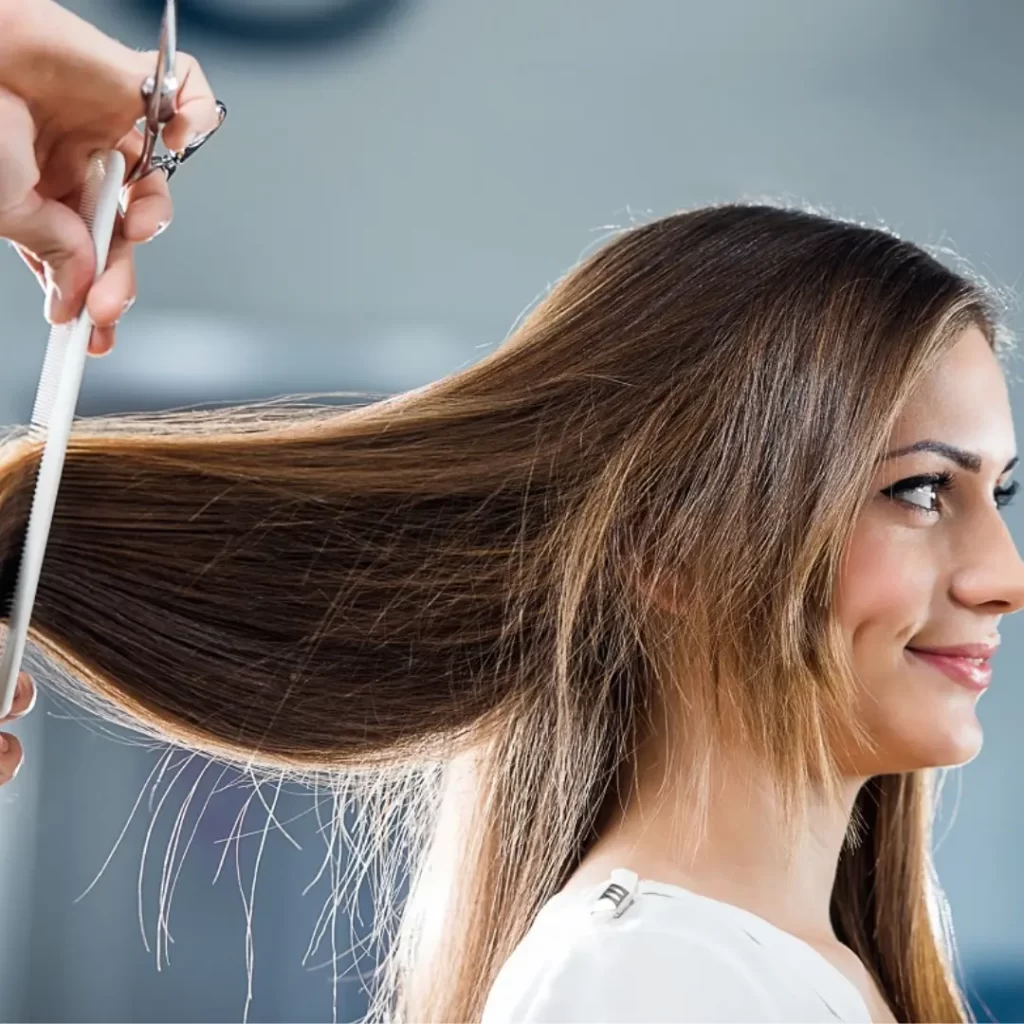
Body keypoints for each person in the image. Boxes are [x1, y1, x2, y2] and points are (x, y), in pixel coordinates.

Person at [0, 5, 1020, 1023]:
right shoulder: (656, 985)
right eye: (921, 490)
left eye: (998, 492)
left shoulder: (765, 971)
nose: (1002, 576)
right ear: (665, 548)